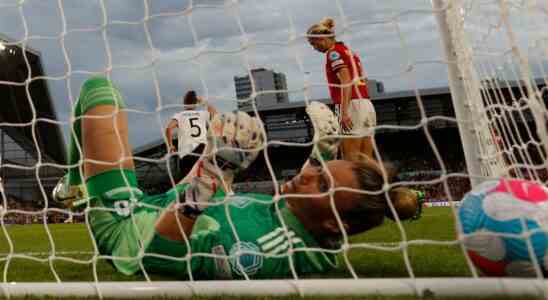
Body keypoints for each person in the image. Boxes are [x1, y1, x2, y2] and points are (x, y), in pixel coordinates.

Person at [54, 76, 420, 279]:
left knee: (98, 92)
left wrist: (215, 171)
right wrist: (322, 152)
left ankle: (76, 182)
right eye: (320, 172)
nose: (308, 177)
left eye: (322, 183)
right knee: (222, 184)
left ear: (331, 222)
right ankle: (73, 182)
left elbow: (160, 256)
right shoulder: (303, 221)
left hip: (131, 225)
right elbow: (295, 194)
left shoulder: (261, 250)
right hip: (187, 191)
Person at [307, 17, 376, 162]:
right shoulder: (348, 51)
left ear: (322, 38)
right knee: (366, 159)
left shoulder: (333, 54)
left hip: (350, 105)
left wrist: (344, 112)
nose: (314, 48)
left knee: (350, 160)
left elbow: (346, 81)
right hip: (366, 104)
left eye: (313, 44)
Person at [165, 90, 218, 180]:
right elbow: (215, 114)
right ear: (195, 103)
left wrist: (170, 145)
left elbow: (168, 128)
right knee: (205, 179)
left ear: (184, 103)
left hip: (187, 154)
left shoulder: (179, 115)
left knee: (187, 182)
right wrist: (203, 102)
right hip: (202, 151)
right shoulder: (202, 114)